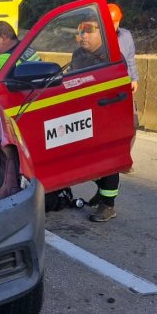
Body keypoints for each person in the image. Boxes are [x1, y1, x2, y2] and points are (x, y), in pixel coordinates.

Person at [69, 15, 119, 222]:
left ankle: (108, 205)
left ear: (103, 33)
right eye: (81, 31)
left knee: (107, 159)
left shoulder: (110, 55)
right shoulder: (78, 54)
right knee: (83, 159)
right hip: (83, 114)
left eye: (89, 30)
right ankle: (101, 192)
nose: (83, 36)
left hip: (105, 114)